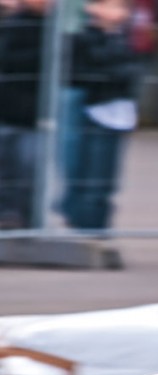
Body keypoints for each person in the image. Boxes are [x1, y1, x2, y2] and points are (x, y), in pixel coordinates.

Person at [59, 0, 139, 230]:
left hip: (118, 112)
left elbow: (131, 73)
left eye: (123, 7)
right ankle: (84, 225)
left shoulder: (122, 39)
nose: (120, 12)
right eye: (113, 6)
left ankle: (99, 226)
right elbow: (84, 73)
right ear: (93, 8)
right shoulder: (84, 39)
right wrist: (115, 74)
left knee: (106, 176)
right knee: (87, 171)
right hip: (94, 110)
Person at [0, 0, 52, 229]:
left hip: (34, 115)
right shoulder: (14, 26)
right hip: (10, 110)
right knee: (10, 168)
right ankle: (9, 218)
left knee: (30, 170)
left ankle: (29, 221)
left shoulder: (53, 29)